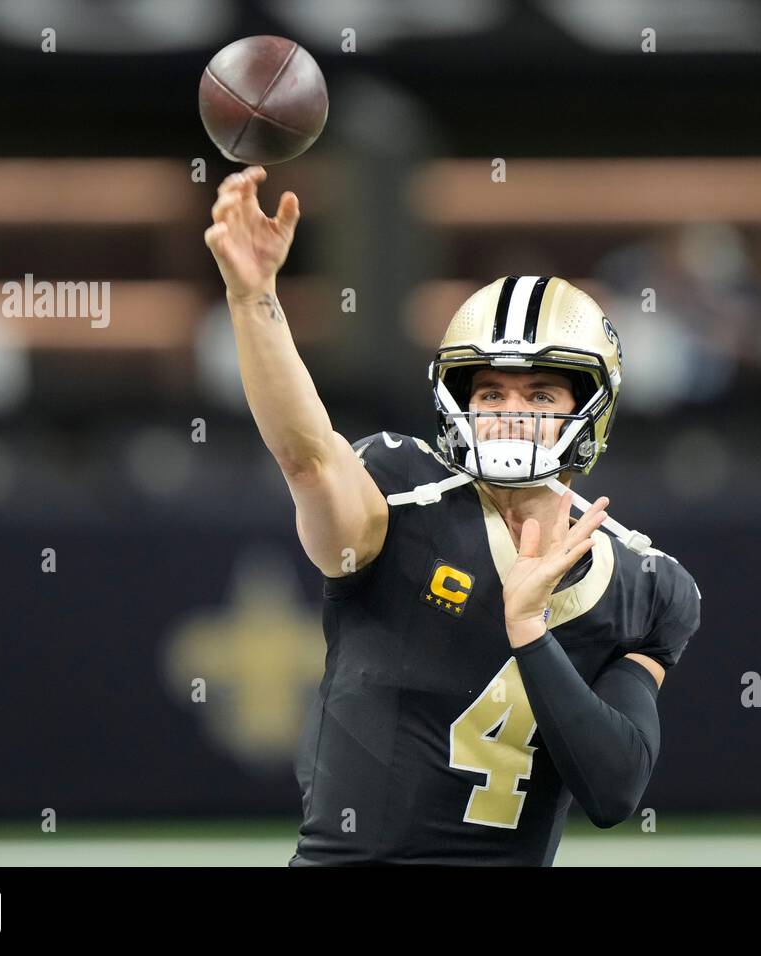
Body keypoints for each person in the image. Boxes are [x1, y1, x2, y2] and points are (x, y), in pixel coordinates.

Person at [205, 165, 702, 865]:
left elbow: (615, 790)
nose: (508, 416)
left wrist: (531, 632)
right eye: (490, 394)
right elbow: (309, 458)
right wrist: (253, 300)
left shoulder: (644, 582)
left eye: (539, 394)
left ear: (589, 406)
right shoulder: (401, 496)